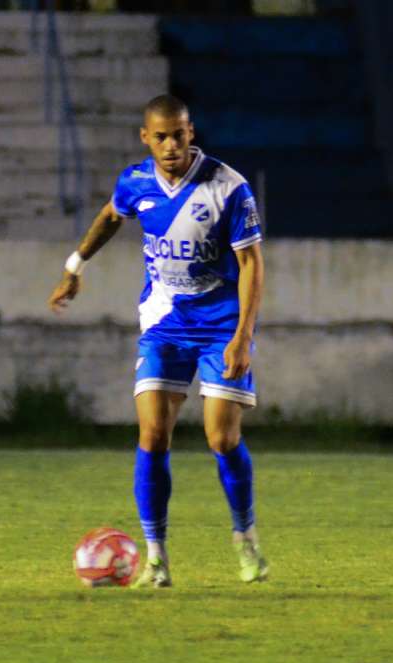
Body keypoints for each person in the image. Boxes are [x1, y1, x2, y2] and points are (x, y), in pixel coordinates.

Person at [48, 94, 268, 587]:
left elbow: (252, 263)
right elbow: (110, 215)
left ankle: (245, 539)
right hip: (164, 322)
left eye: (180, 134)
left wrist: (242, 337)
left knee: (221, 438)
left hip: (219, 325)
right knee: (151, 435)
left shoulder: (228, 188)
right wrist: (75, 266)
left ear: (193, 133)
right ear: (145, 138)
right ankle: (155, 557)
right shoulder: (136, 182)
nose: (171, 145)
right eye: (161, 136)